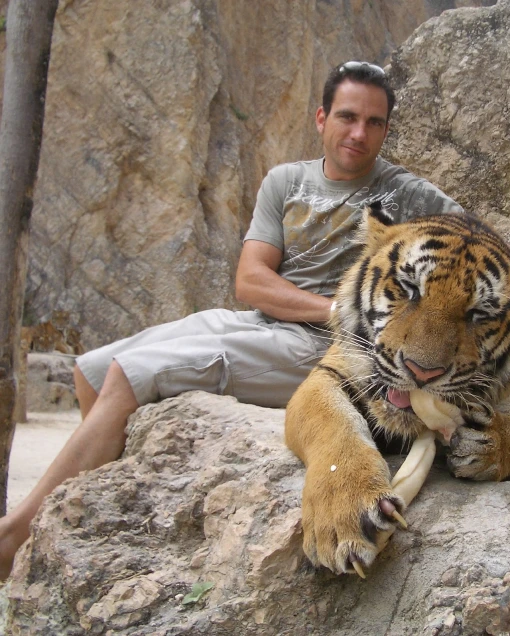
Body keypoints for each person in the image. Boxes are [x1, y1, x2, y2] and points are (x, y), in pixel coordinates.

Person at [0, 61, 463, 579]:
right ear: (321, 118)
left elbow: (478, 250)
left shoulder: (407, 193)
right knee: (90, 370)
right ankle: (92, 504)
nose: (360, 133)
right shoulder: (285, 181)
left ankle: (14, 536)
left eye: (375, 123)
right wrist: (327, 303)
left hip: (328, 347)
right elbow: (251, 280)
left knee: (130, 378)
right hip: (261, 321)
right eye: (348, 116)